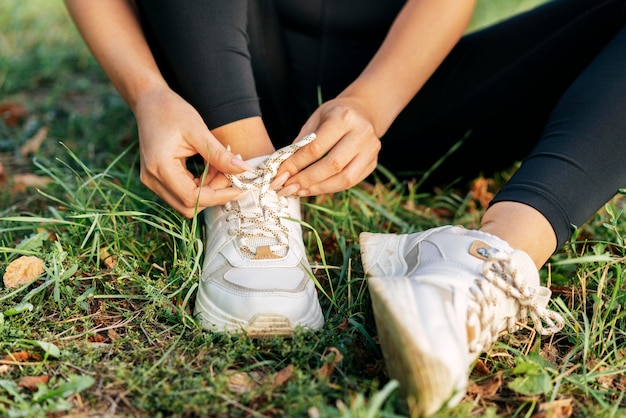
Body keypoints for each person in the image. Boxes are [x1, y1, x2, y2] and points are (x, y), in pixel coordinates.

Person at [63, 0, 626, 415]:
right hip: (220, 64)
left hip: (398, 83)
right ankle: (252, 185)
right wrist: (147, 92)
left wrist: (370, 104)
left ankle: (485, 259)